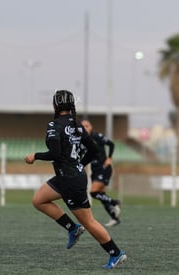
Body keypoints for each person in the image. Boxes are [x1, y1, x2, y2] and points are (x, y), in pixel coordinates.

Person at [24, 90, 127, 269]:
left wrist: (36, 155)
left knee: (89, 221)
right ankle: (73, 228)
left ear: (54, 105)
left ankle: (116, 253)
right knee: (39, 200)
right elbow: (94, 151)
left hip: (71, 180)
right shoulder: (77, 125)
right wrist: (80, 164)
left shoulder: (53, 125)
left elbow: (55, 153)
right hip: (67, 177)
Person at [81, 119, 121, 227]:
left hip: (104, 168)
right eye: (83, 126)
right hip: (95, 170)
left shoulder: (97, 136)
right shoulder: (82, 141)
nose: (85, 128)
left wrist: (109, 158)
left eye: (87, 126)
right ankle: (114, 218)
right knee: (101, 195)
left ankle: (115, 202)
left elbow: (111, 144)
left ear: (91, 127)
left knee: (93, 192)